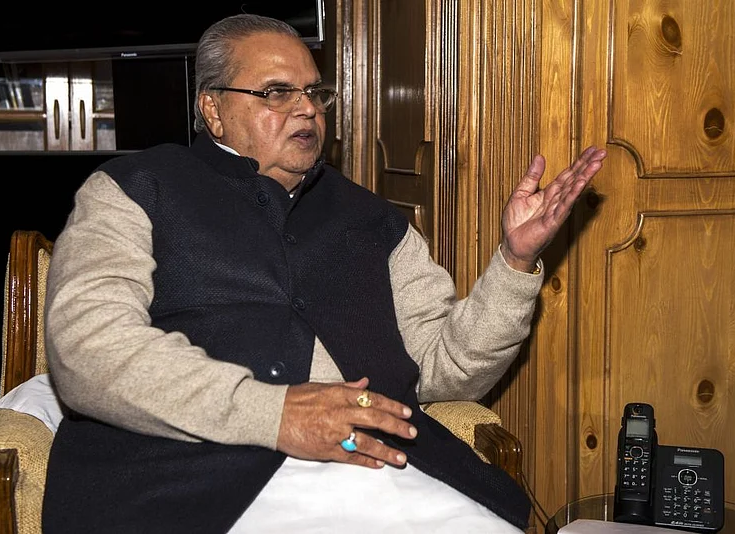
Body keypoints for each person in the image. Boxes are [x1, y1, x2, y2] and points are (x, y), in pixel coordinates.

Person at [38, 13, 607, 534]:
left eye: (314, 92)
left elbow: (444, 371)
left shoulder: (376, 220)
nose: (307, 108)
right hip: (184, 483)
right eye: (276, 92)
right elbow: (89, 347)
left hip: (385, 473)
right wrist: (275, 415)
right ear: (213, 109)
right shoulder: (135, 190)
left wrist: (514, 261)